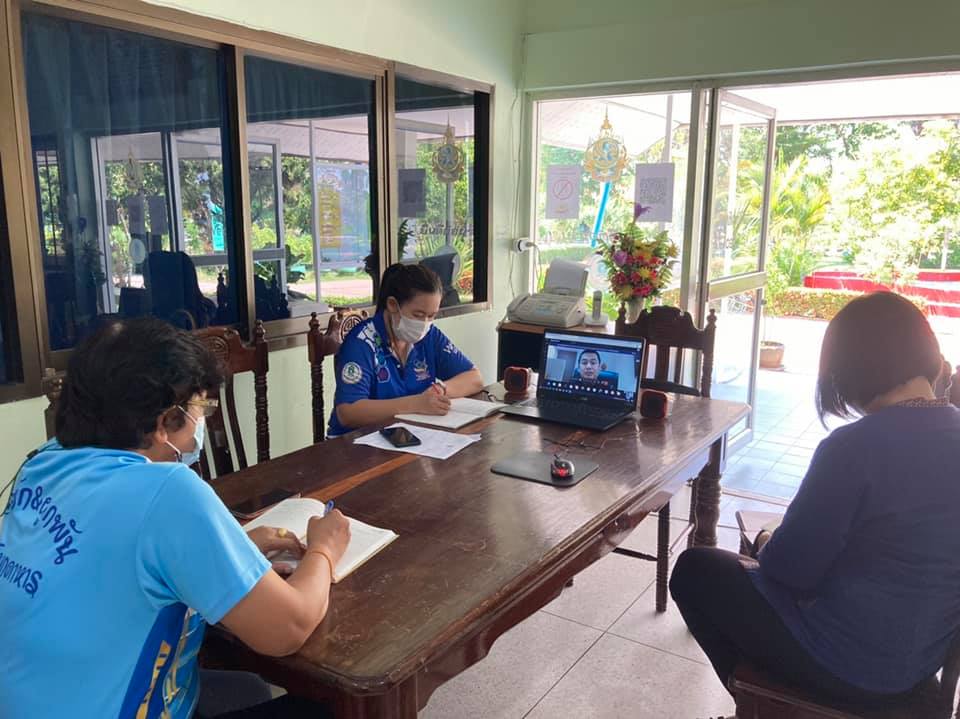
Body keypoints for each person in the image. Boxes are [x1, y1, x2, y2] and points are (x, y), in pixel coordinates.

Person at [0, 318, 350, 719]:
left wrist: (238, 549)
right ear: (165, 421)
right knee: (334, 710)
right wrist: (324, 549)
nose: (202, 425)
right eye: (201, 410)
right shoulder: (166, 489)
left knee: (243, 687)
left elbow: (105, 563)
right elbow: (288, 628)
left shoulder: (43, 463)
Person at [670, 291, 960, 708]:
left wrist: (768, 542)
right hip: (919, 661)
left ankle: (767, 705)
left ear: (848, 371)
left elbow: (791, 572)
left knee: (696, 570)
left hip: (852, 662)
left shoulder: (855, 447)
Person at [328, 263, 483, 437]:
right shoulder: (362, 342)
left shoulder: (430, 336)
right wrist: (415, 404)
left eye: (432, 316)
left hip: (409, 434)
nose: (424, 324)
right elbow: (348, 412)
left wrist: (440, 389)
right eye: (418, 315)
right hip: (356, 442)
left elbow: (474, 378)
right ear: (393, 305)